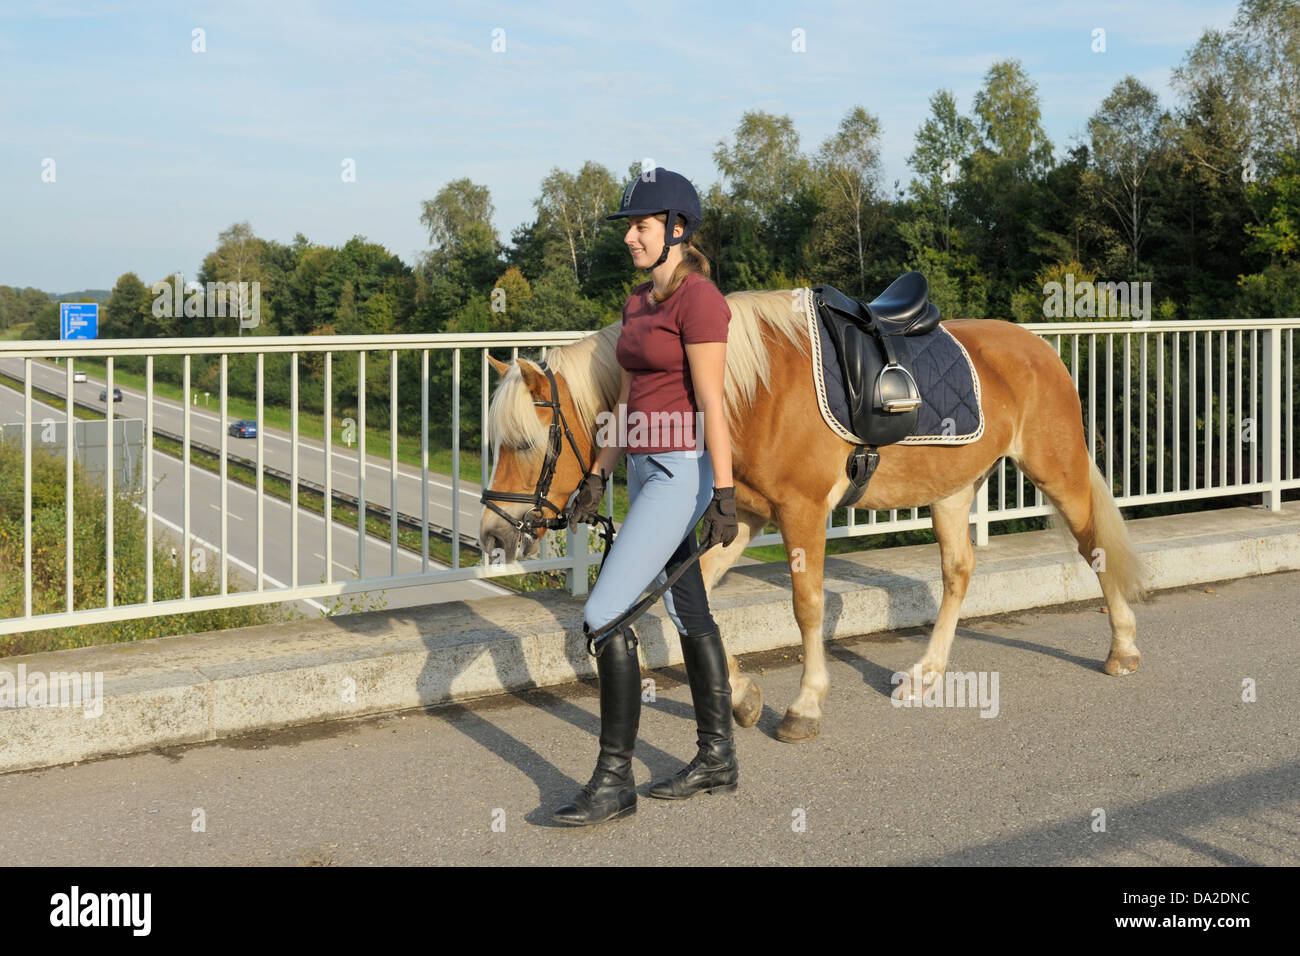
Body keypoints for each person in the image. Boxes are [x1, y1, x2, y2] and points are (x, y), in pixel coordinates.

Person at [551, 167, 740, 827]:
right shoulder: (637, 303)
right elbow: (629, 398)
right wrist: (600, 473)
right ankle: (717, 757)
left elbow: (713, 401)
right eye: (629, 226)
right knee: (689, 611)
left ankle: (614, 782)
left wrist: (723, 492)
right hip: (640, 469)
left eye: (642, 225)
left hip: (684, 470)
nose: (630, 236)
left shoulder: (702, 302)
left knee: (603, 617)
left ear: (677, 230)